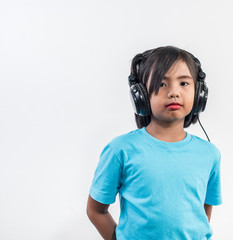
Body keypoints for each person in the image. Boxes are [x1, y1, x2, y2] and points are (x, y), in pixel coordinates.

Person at [86, 46, 222, 240]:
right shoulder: (121, 150)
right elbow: (96, 210)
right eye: (162, 84)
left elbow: (204, 210)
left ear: (199, 93)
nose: (174, 92)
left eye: (184, 83)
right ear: (140, 95)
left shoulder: (210, 154)